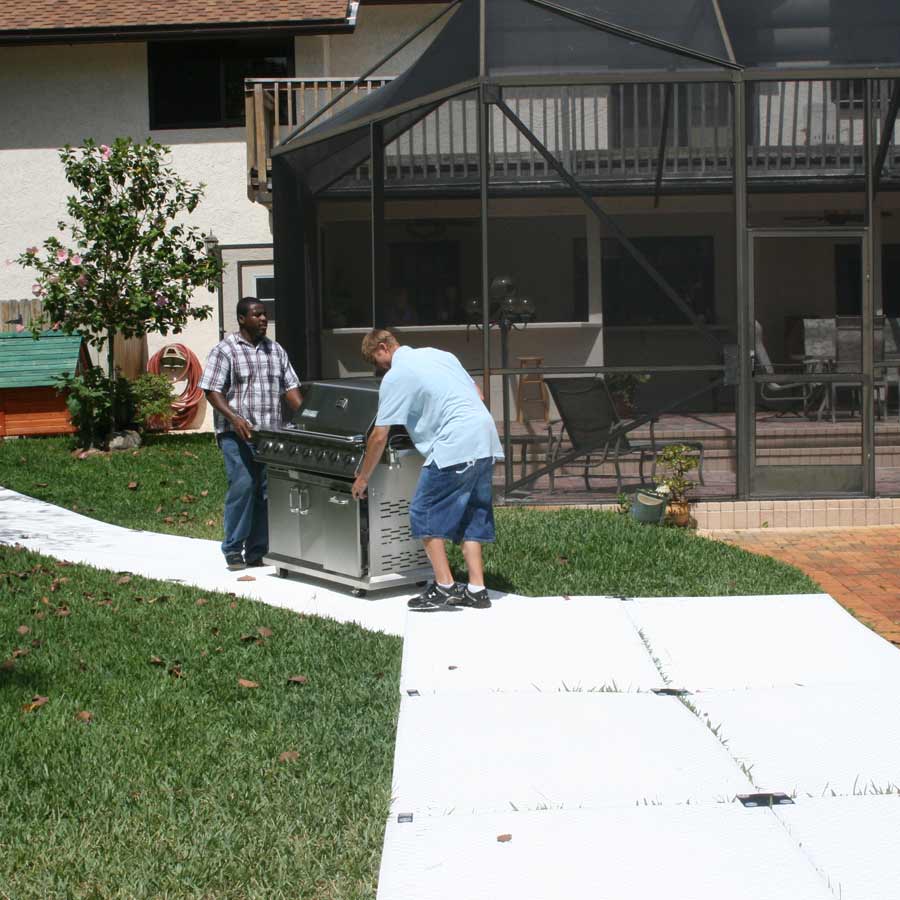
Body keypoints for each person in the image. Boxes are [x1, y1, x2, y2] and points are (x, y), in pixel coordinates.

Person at [351, 329, 503, 611]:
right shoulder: (440, 355)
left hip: (455, 445)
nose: (379, 369)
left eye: (377, 361)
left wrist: (362, 477)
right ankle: (477, 589)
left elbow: (379, 435)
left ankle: (444, 587)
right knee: (472, 513)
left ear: (384, 347)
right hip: (485, 439)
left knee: (423, 511)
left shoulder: (397, 374)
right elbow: (477, 394)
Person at [199, 297, 302, 571]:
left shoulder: (275, 350)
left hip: (269, 435)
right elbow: (211, 390)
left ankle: (258, 550)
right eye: (257, 315)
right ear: (242, 319)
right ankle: (233, 548)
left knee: (267, 491)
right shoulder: (225, 350)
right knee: (244, 486)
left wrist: (306, 417)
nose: (263, 319)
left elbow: (289, 387)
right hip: (235, 434)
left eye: (265, 314)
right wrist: (234, 418)